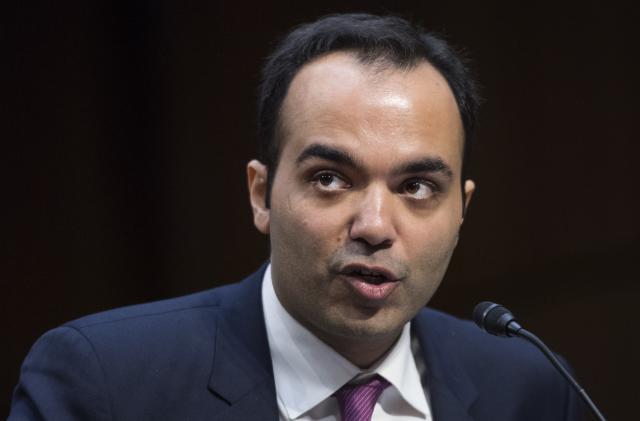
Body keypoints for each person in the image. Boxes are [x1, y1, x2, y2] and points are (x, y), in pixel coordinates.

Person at [9, 13, 584, 421]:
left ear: (463, 211)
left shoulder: (529, 386)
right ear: (261, 194)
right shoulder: (105, 381)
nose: (376, 226)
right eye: (330, 179)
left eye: (417, 186)